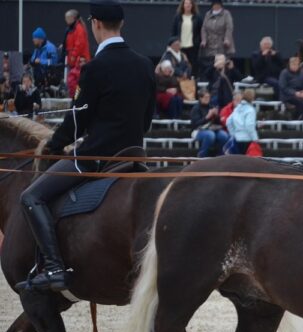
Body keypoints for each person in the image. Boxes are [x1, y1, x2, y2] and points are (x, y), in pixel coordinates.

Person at [16, 0, 155, 292]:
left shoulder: (95, 68)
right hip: (133, 156)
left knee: (31, 197)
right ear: (122, 25)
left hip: (95, 158)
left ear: (95, 24)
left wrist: (53, 145)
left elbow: (77, 123)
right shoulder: (144, 65)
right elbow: (146, 120)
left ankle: (54, 267)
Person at [200, 0, 234, 77]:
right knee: (211, 65)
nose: (216, 6)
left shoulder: (226, 14)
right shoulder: (208, 14)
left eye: (218, 5)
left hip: (222, 44)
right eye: (214, 5)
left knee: (222, 64)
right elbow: (204, 28)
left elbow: (229, 28)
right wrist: (204, 40)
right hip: (211, 45)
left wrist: (227, 39)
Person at [62, 10, 91, 99]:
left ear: (73, 18)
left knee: (75, 81)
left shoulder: (78, 29)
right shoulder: (74, 28)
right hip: (75, 60)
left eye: (67, 18)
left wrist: (73, 57)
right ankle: (76, 98)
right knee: (75, 81)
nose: (66, 20)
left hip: (79, 60)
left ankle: (76, 98)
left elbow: (79, 45)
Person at [190, 89, 228, 157]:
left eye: (208, 97)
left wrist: (217, 116)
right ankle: (202, 155)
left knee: (224, 136)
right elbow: (195, 124)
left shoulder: (211, 106)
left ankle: (220, 155)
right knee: (210, 135)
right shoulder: (196, 108)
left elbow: (219, 123)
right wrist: (207, 117)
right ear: (200, 98)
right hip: (198, 130)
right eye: (205, 97)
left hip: (212, 128)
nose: (207, 99)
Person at [171, 0, 202, 76]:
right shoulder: (178, 17)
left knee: (193, 66)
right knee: (181, 66)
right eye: (186, 3)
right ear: (183, 5)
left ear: (192, 5)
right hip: (180, 46)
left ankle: (193, 82)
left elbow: (201, 31)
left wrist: (199, 41)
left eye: (190, 3)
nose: (188, 5)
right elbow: (173, 31)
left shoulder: (197, 17)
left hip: (193, 46)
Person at [226, 88, 258, 154]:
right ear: (252, 98)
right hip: (246, 139)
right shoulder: (250, 110)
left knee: (235, 160)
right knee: (243, 161)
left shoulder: (237, 107)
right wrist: (254, 138)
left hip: (237, 138)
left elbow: (228, 122)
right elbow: (249, 126)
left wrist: (233, 134)